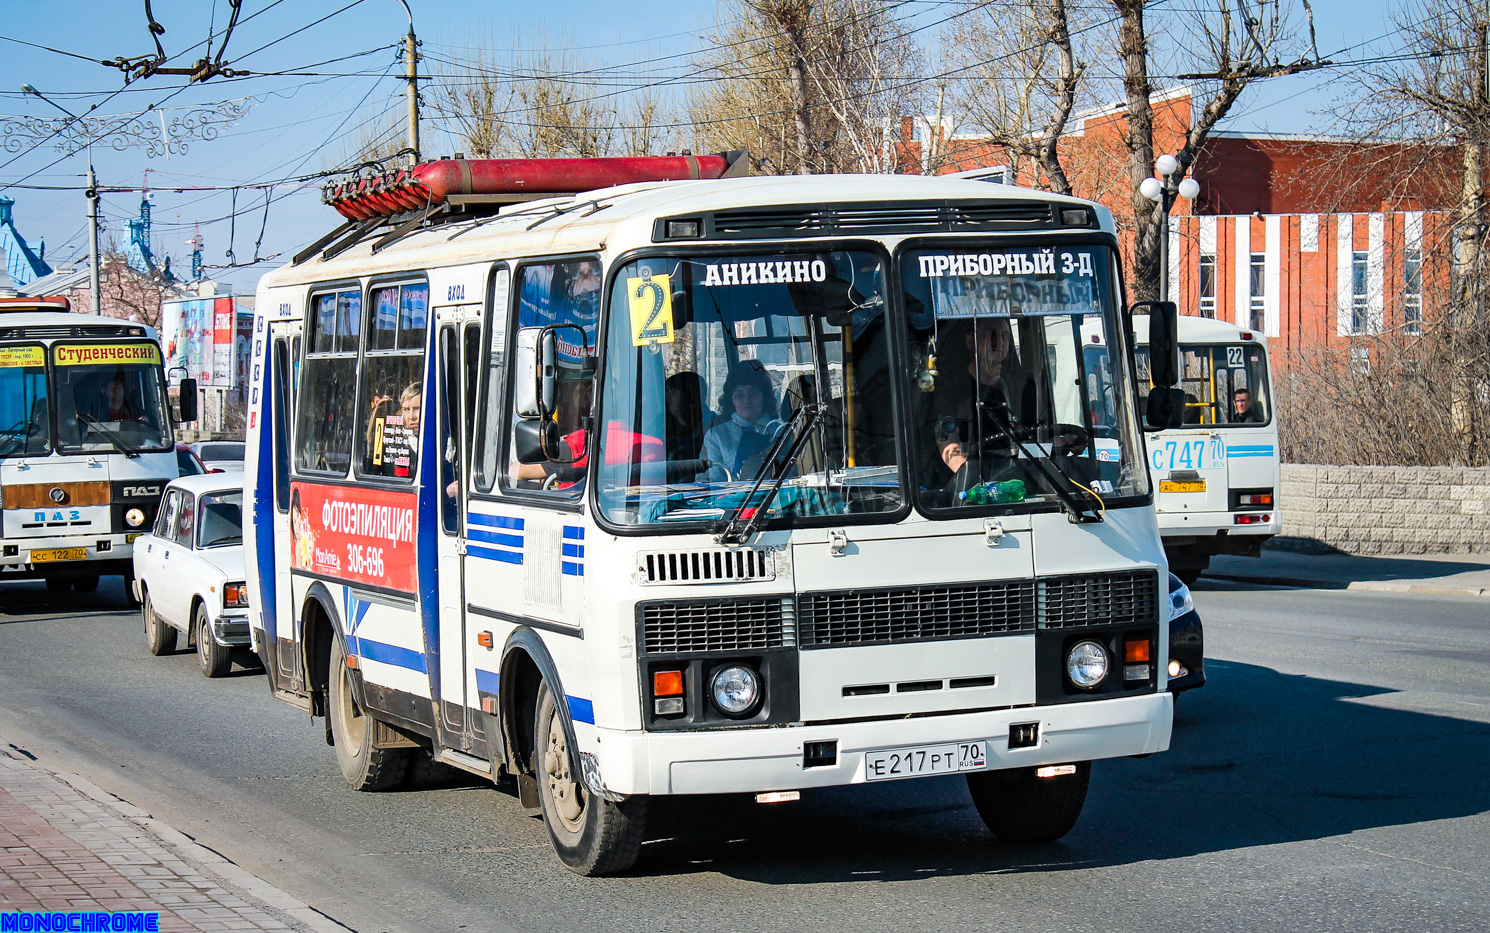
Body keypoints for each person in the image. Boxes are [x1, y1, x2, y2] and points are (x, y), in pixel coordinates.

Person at [931, 319, 1024, 477]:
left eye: (1004, 335)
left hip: (1020, 482)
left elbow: (1038, 437)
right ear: (970, 342)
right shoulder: (951, 392)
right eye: (990, 335)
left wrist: (1064, 441)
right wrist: (970, 477)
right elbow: (947, 444)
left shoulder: (1020, 389)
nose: (999, 342)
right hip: (975, 490)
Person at [700, 360, 788, 482]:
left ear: (764, 397)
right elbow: (712, 484)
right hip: (734, 500)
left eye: (753, 393)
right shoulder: (717, 435)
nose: (747, 400)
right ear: (731, 401)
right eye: (739, 395)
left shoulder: (783, 432)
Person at [664, 372, 711, 462]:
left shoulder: (714, 424)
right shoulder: (660, 422)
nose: (667, 396)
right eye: (667, 391)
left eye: (671, 390)